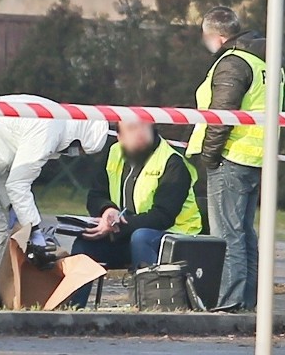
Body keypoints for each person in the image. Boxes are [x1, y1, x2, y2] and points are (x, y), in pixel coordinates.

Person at [0, 94, 108, 309]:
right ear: (80, 137)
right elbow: (18, 185)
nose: (72, 153)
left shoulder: (57, 120)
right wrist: (35, 234)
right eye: (78, 149)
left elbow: (15, 176)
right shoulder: (49, 130)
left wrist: (17, 214)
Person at [186, 6, 284, 311]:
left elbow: (221, 117)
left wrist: (210, 155)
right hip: (256, 158)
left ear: (216, 35)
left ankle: (229, 304)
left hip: (232, 155)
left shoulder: (232, 63)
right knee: (243, 233)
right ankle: (249, 301)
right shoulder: (266, 63)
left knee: (227, 235)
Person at [69, 120, 202, 308]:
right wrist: (107, 210)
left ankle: (147, 307)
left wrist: (117, 226)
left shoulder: (172, 162)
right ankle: (73, 309)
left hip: (174, 238)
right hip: (127, 233)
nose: (138, 134)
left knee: (141, 237)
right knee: (85, 242)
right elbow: (96, 195)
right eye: (131, 128)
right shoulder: (114, 153)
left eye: (143, 127)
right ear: (120, 136)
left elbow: (163, 216)